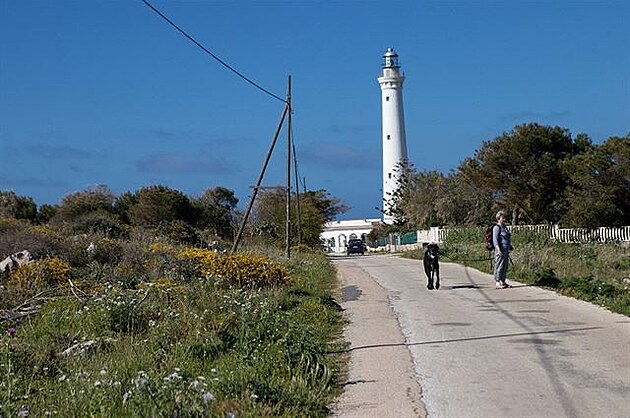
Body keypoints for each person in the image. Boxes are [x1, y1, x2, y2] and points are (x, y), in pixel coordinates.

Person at [492, 210, 512, 289]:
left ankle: (502, 281)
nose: (504, 219)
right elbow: (495, 240)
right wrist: (498, 250)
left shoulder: (505, 227)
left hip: (506, 249)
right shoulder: (496, 228)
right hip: (500, 249)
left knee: (505, 266)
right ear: (498, 218)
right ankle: (497, 281)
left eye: (505, 218)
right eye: (503, 218)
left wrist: (509, 246)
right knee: (499, 265)